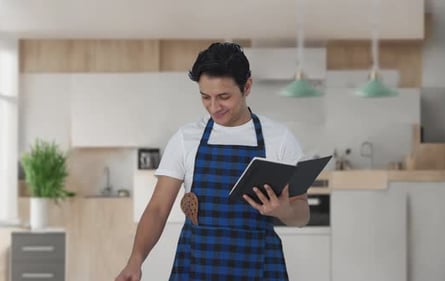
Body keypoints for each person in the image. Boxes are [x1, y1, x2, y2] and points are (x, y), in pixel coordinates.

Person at [115, 42, 310, 281]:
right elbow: (157, 209)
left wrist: (285, 210)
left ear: (247, 86)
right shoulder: (186, 139)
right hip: (197, 265)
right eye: (205, 97)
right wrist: (135, 260)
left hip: (259, 266)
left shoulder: (279, 139)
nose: (214, 107)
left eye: (224, 96)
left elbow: (303, 212)